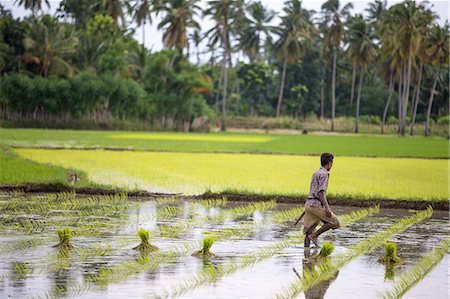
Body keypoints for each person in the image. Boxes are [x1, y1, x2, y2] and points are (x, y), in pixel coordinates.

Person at [304, 153, 340, 247]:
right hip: (316, 205)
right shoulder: (324, 174)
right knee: (334, 222)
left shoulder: (316, 173)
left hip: (309, 204)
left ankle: (306, 255)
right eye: (332, 164)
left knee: (309, 230)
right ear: (329, 163)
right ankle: (314, 236)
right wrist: (327, 208)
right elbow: (321, 192)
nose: (331, 166)